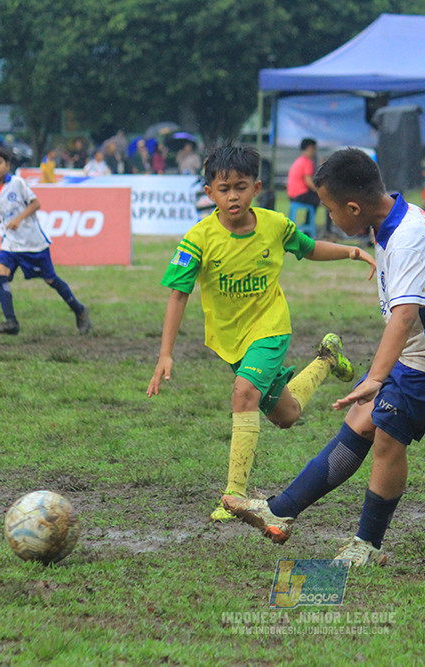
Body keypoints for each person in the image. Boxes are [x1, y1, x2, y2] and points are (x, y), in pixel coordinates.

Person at [224, 148, 425, 566]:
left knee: (386, 432)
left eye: (329, 209)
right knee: (360, 421)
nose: (329, 217)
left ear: (352, 206)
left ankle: (368, 545)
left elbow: (401, 319)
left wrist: (374, 378)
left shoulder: (407, 240)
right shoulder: (390, 221)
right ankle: (282, 509)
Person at [146, 145, 376, 521]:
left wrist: (351, 252)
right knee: (286, 415)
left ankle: (233, 495)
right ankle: (327, 359)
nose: (232, 196)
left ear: (256, 187)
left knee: (244, 394)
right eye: (223, 189)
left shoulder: (275, 225)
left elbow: (308, 248)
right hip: (230, 340)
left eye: (240, 187)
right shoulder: (197, 239)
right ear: (209, 194)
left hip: (270, 329)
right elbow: (177, 296)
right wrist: (165, 354)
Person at [0, 144, 91, 336]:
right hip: (10, 243)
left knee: (51, 279)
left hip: (33, 243)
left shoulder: (17, 183)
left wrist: (18, 219)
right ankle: (11, 322)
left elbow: (36, 204)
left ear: (7, 164)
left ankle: (79, 310)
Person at [287, 138, 320, 232]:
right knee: (321, 199)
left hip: (292, 195)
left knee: (314, 199)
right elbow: (308, 181)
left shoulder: (299, 160)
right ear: (310, 148)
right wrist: (318, 190)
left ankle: (307, 224)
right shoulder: (307, 162)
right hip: (300, 194)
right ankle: (309, 226)